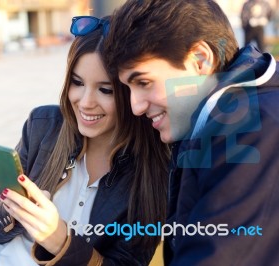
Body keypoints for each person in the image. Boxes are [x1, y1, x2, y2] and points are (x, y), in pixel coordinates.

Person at [0, 15, 169, 266]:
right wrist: (14, 209)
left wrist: (58, 240)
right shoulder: (43, 125)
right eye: (77, 83)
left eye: (105, 90)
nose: (86, 102)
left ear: (131, 92)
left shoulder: (153, 170)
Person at [103, 0, 279, 265]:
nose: (136, 106)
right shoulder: (221, 121)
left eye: (144, 82)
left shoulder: (254, 130)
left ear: (200, 60)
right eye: (129, 88)